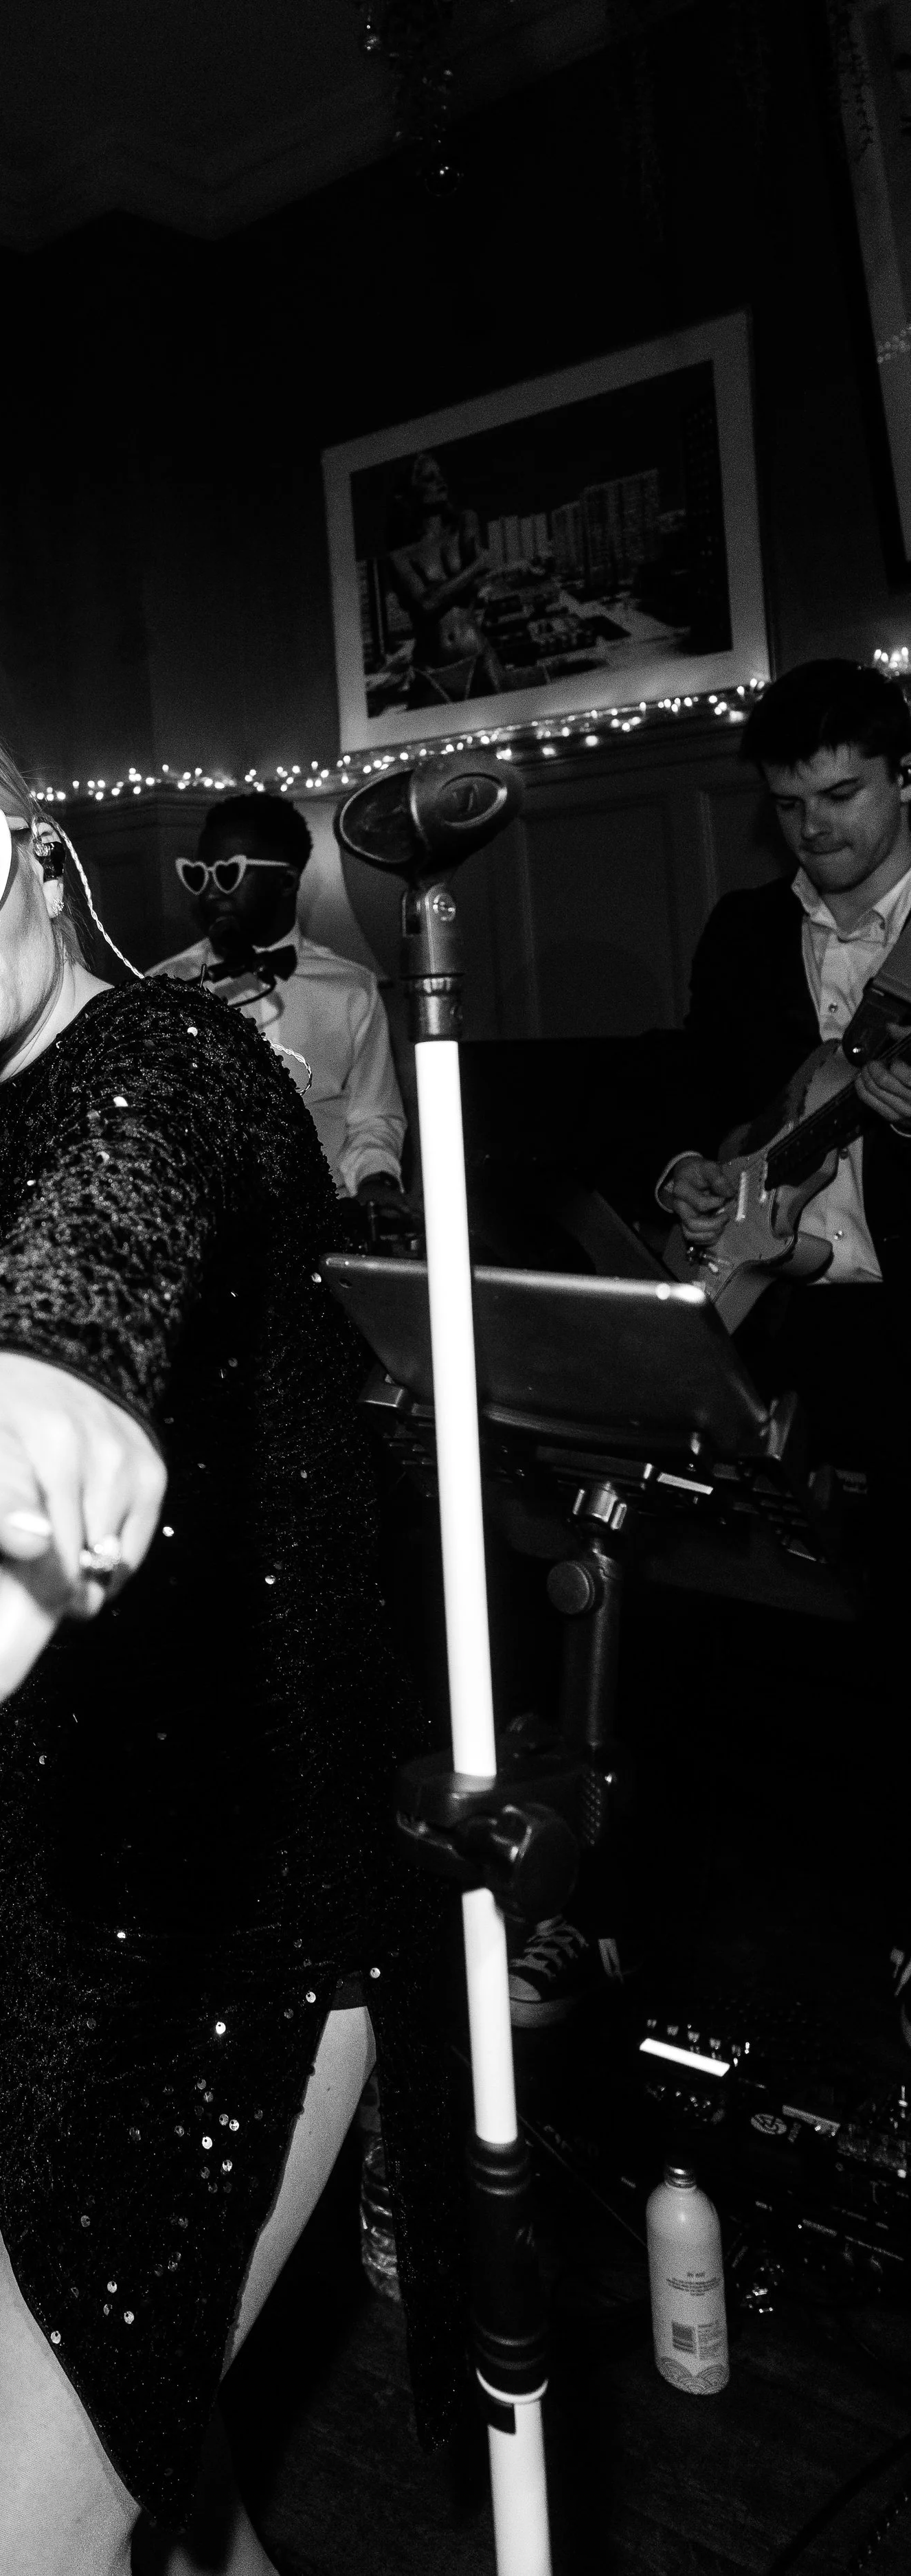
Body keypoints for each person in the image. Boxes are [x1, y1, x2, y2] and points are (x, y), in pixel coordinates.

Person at [0, 697, 461, 2573]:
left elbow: (121, 1202)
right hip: (37, 1866)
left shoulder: (180, 1056)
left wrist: (27, 1353)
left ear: (37, 857)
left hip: (229, 1905)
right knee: (89, 2411)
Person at [655, 657, 911, 2042]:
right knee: (764, 1638)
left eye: (841, 795)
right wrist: (689, 1167)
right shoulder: (744, 927)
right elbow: (704, 1095)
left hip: (901, 1327)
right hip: (784, 1312)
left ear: (899, 776)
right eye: (788, 806)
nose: (815, 830)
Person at [155, 791, 405, 1201]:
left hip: (323, 1217)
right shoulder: (163, 987)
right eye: (200, 876)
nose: (211, 893)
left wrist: (377, 1181)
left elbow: (374, 1118)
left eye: (229, 873)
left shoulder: (350, 988)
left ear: (287, 880)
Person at [384, 451, 510, 709]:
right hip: (431, 669)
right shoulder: (399, 556)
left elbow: (474, 587)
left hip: (477, 655)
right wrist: (475, 566)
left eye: (440, 476)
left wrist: (443, 589)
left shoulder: (465, 523)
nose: (441, 482)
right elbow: (426, 605)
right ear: (409, 493)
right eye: (429, 479)